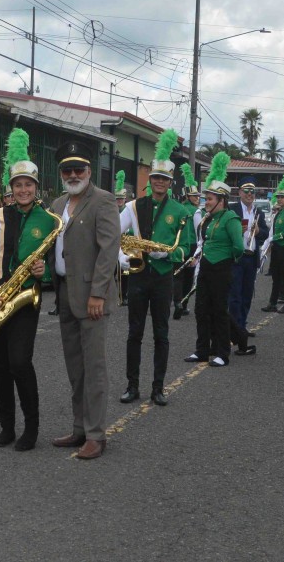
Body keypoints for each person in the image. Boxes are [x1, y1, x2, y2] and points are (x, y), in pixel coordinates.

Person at [0, 129, 54, 452]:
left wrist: (43, 272)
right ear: (11, 188)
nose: (23, 190)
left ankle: (31, 428)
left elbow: (57, 265)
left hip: (25, 298)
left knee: (20, 361)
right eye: (18, 185)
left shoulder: (49, 220)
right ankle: (7, 427)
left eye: (28, 185)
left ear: (36, 188)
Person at [49, 141, 120, 460]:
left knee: (94, 367)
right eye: (67, 170)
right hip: (64, 292)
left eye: (79, 169)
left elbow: (108, 251)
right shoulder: (58, 202)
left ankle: (96, 434)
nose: (73, 174)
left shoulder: (103, 201)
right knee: (75, 367)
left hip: (92, 296)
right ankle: (79, 428)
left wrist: (97, 294)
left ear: (89, 171)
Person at [118, 131, 187, 407]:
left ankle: (158, 387)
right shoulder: (134, 206)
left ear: (170, 183)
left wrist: (166, 253)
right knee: (134, 333)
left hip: (162, 278)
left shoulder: (181, 211)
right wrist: (121, 258)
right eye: (156, 178)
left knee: (162, 333)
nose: (159, 182)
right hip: (137, 275)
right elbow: (113, 235)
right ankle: (132, 385)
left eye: (164, 179)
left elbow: (187, 249)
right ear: (151, 180)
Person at [184, 153, 245, 366]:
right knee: (202, 310)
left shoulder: (231, 218)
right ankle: (202, 350)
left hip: (222, 269)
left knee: (219, 311)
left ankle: (222, 352)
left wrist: (228, 260)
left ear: (221, 200)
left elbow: (239, 246)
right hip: (206, 267)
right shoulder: (209, 219)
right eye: (205, 198)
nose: (206, 202)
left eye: (209, 199)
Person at [228, 177, 269, 330]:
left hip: (251, 258)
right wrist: (237, 230)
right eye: (246, 191)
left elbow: (265, 233)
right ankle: (234, 328)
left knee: (247, 295)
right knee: (235, 296)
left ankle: (242, 326)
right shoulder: (232, 209)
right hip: (237, 258)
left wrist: (258, 231)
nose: (249, 194)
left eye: (252, 191)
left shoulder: (259, 212)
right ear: (239, 192)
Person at [262, 171, 284, 314]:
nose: (279, 199)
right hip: (277, 247)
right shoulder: (279, 213)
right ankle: (272, 303)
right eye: (278, 197)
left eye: (282, 197)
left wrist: (273, 238)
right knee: (276, 276)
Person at [174, 165, 202, 319]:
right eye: (194, 196)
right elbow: (200, 231)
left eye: (198, 196)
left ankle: (176, 301)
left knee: (178, 275)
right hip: (191, 246)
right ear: (188, 196)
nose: (197, 198)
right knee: (188, 276)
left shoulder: (178, 208)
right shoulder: (196, 211)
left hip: (178, 246)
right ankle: (183, 304)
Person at [114, 171, 130, 308]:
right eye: (117, 199)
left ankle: (124, 296)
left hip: (126, 247)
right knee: (113, 272)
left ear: (125, 199)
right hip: (113, 246)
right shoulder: (110, 211)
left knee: (125, 272)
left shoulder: (129, 211)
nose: (119, 201)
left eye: (121, 199)